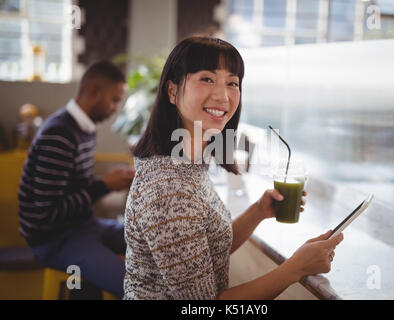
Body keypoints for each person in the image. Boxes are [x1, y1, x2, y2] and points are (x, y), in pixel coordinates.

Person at [123, 37, 344, 300]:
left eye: (232, 83)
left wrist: (259, 211)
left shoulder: (188, 164)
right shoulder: (169, 189)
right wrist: (295, 268)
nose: (223, 95)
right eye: (207, 78)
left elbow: (204, 251)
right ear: (172, 91)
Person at [18, 60, 135, 298]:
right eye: (114, 100)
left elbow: (71, 188)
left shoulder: (84, 128)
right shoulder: (59, 134)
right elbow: (46, 213)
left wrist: (110, 181)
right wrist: (104, 185)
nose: (116, 109)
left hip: (83, 226)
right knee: (135, 289)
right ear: (94, 92)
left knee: (147, 237)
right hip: (55, 239)